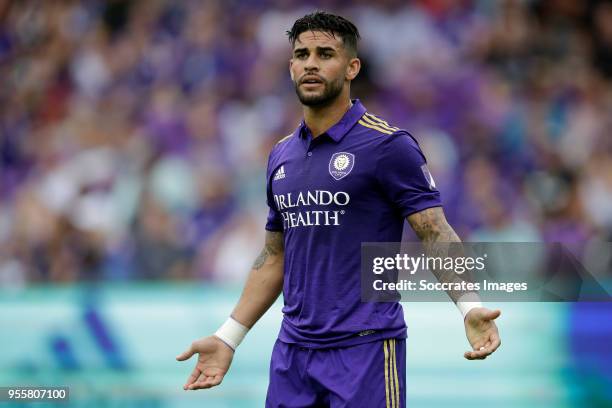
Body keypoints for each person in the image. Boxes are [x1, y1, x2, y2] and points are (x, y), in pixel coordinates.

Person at [176, 11, 501, 407]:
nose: (311, 63)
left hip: (364, 351)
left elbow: (435, 231)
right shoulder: (281, 156)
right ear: (291, 66)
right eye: (302, 54)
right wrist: (229, 336)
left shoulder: (388, 145)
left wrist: (468, 306)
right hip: (292, 356)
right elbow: (274, 255)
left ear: (351, 67)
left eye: (325, 53)